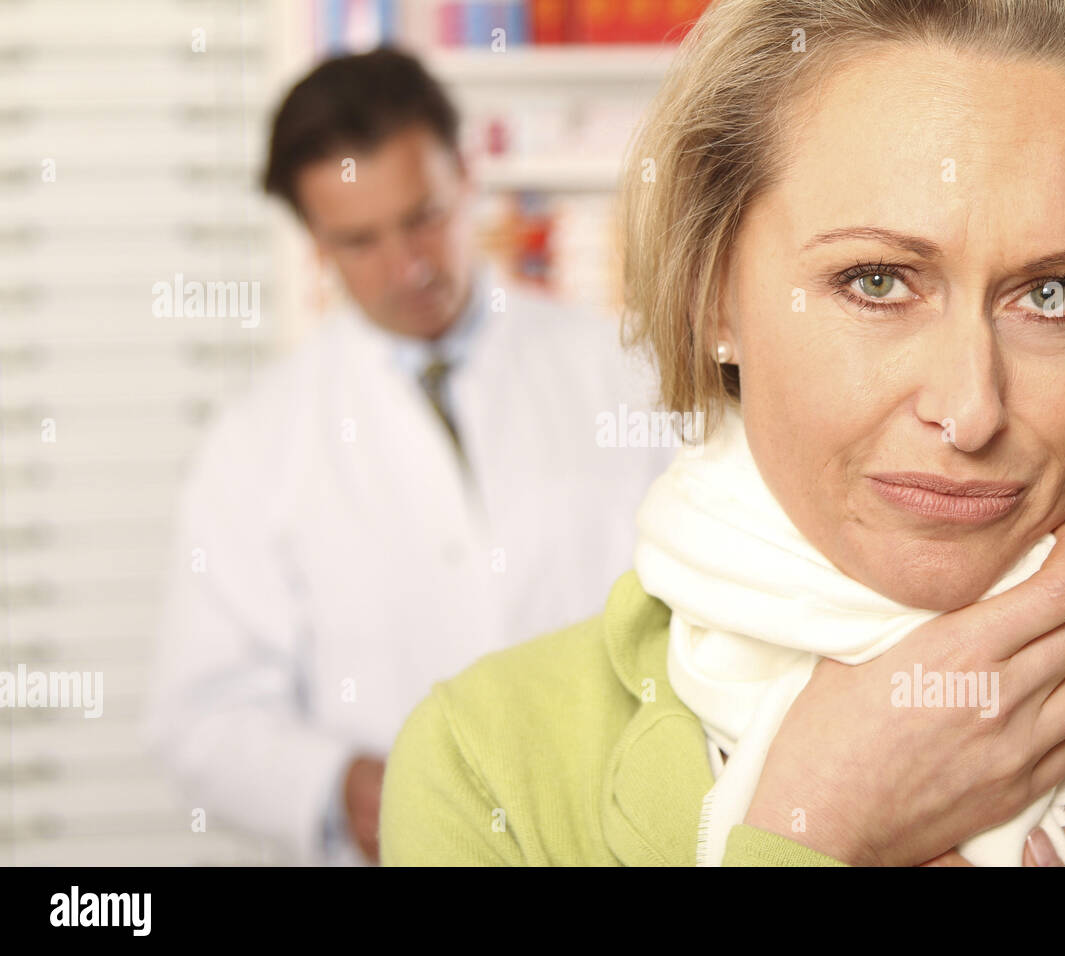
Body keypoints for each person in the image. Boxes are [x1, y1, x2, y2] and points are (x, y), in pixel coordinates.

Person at [379, 0, 1065, 866]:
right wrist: (810, 826)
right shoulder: (486, 765)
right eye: (876, 281)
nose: (970, 409)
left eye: (1055, 294)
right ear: (713, 297)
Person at [144, 48, 671, 865]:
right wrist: (337, 784)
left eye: (422, 216)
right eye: (359, 241)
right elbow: (200, 715)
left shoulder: (624, 370)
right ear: (315, 242)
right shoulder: (255, 444)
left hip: (615, 835)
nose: (408, 267)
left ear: (467, 176)